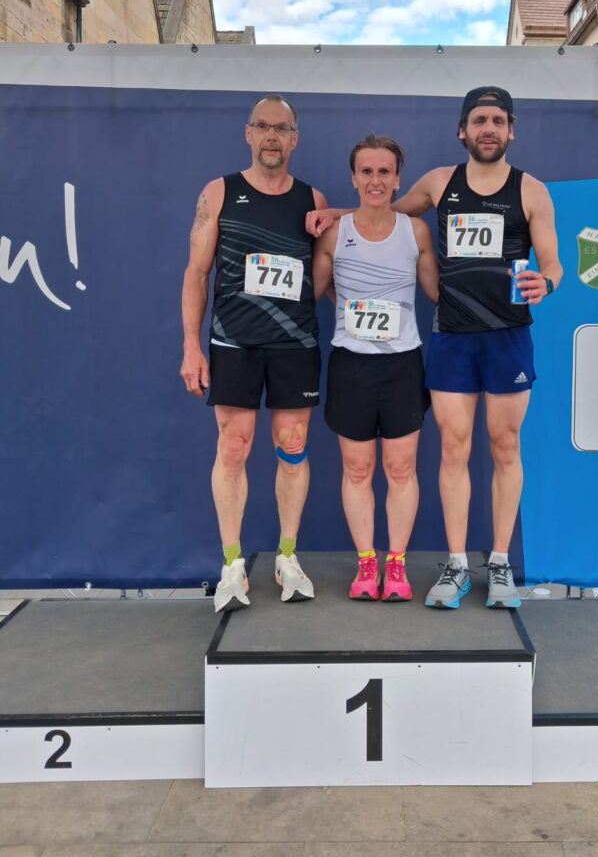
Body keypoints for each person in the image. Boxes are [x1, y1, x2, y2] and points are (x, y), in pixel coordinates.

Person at [307, 87, 562, 610]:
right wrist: (337, 214)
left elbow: (553, 262)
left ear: (510, 130)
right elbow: (384, 212)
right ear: (462, 130)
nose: (488, 128)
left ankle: (499, 562)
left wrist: (549, 281)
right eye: (479, 120)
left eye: (497, 120)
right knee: (453, 449)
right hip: (452, 337)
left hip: (508, 336)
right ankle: (457, 564)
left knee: (505, 447)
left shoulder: (532, 190)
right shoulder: (440, 183)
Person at [181, 95, 328, 613]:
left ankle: (287, 557)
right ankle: (232, 564)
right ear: (248, 133)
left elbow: (325, 272)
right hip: (233, 342)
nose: (271, 136)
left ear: (294, 139)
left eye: (281, 128)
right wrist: (191, 344)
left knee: (293, 446)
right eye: (263, 126)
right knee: (233, 446)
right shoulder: (219, 192)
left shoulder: (313, 199)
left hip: (294, 344)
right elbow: (197, 272)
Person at [313, 135, 438, 601]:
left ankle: (396, 564)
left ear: (398, 179)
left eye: (384, 171)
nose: (375, 180)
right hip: (351, 366)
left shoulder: (415, 232)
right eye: (366, 171)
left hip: (403, 365)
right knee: (358, 468)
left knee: (401, 468)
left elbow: (437, 293)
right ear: (353, 178)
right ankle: (367, 563)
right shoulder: (334, 234)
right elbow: (312, 292)